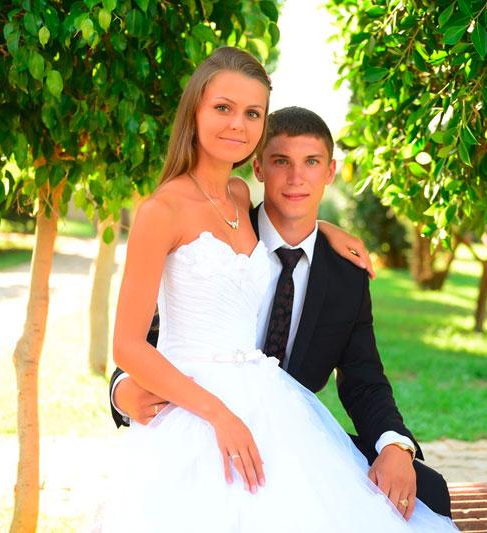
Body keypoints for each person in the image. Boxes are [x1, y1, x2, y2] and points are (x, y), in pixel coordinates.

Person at [101, 47, 458, 532]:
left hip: (280, 414)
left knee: (410, 503)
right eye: (222, 108)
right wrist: (137, 393)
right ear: (195, 111)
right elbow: (139, 339)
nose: (237, 124)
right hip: (200, 415)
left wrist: (321, 230)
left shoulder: (239, 200)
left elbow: (364, 377)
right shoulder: (162, 212)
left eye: (252, 113)